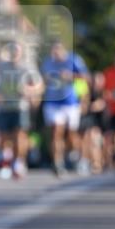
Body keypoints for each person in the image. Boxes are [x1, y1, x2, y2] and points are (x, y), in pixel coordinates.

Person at [0, 41, 42, 179]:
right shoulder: (2, 66)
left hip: (20, 106)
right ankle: (6, 164)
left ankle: (19, 162)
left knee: (19, 136)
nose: (14, 53)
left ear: (21, 53)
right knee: (3, 137)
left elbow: (39, 85)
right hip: (4, 106)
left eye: (17, 50)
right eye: (12, 50)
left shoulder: (27, 68)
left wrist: (29, 90)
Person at [40, 39, 88, 176]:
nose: (55, 54)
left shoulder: (74, 59)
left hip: (70, 103)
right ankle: (57, 162)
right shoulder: (47, 62)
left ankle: (78, 156)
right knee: (56, 132)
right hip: (53, 102)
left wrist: (70, 76)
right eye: (53, 51)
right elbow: (43, 80)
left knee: (71, 135)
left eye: (57, 50)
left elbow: (85, 77)